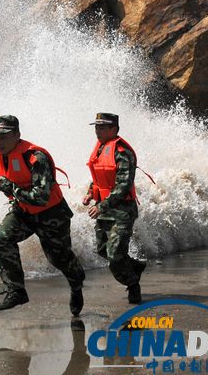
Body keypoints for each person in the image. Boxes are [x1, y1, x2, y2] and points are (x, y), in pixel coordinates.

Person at [0, 115, 85, 314]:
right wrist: (10, 190)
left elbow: (40, 197)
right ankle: (16, 291)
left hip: (51, 214)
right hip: (23, 211)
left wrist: (9, 187)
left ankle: (76, 284)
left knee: (59, 259)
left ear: (17, 135)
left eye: (4, 136)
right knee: (1, 239)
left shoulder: (35, 157)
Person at [82, 112, 147, 304]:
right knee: (103, 250)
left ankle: (133, 284)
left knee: (115, 254)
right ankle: (135, 267)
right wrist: (90, 193)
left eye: (102, 128)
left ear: (114, 129)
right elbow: (99, 177)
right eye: (96, 127)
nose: (98, 131)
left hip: (122, 210)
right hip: (105, 209)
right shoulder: (100, 148)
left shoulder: (122, 152)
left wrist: (102, 206)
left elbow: (123, 185)